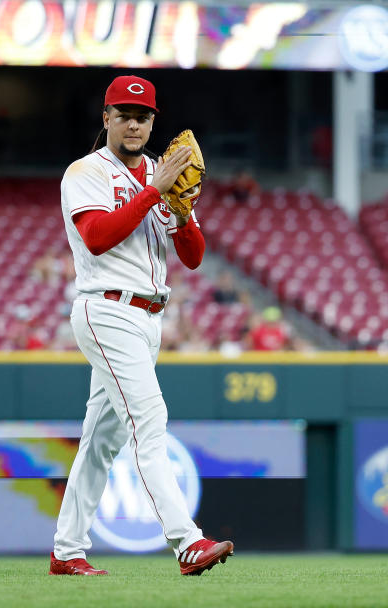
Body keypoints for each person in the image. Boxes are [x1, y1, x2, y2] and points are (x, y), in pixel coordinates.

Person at [51, 74, 233, 577]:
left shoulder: (162, 171)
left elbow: (193, 258)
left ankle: (67, 551)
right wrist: (154, 192)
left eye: (143, 116)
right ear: (106, 117)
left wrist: (184, 211)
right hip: (105, 309)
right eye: (124, 114)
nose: (134, 123)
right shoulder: (86, 172)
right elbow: (96, 237)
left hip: (149, 315)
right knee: (149, 421)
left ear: (153, 121)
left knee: (100, 441)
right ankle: (187, 542)